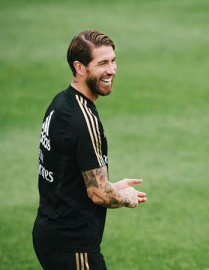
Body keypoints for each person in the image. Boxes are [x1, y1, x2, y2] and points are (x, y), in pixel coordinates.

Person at [32, 29, 147, 270]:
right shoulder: (83, 120)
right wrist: (123, 197)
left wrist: (110, 185)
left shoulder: (61, 102)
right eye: (102, 63)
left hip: (51, 233)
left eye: (113, 61)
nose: (112, 70)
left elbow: (70, 173)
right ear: (80, 67)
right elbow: (99, 194)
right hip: (73, 246)